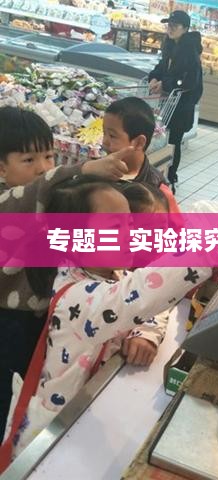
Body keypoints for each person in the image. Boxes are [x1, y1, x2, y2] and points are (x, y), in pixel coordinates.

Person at [3, 175, 213, 458]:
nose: (131, 235)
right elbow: (139, 295)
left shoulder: (110, 273)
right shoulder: (77, 297)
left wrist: (145, 332)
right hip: (53, 434)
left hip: (90, 412)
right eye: (116, 227)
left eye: (130, 224)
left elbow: (147, 301)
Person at [0, 107, 130, 440]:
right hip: (9, 323)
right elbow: (32, 193)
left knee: (28, 388)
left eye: (48, 156)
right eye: (29, 160)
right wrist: (82, 168)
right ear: (1, 168)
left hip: (41, 317)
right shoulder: (10, 203)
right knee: (8, 392)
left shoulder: (44, 201)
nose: (44, 167)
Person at [148, 11, 203, 193]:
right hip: (168, 102)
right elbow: (161, 68)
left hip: (182, 105)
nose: (170, 29)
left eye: (175, 26)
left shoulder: (190, 50)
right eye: (169, 25)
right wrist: (154, 77)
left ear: (185, 28)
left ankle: (171, 177)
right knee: (161, 139)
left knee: (173, 141)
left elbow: (190, 81)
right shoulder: (170, 45)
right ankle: (159, 175)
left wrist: (166, 84)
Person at [102, 97, 180, 213]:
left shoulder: (156, 187)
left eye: (112, 136)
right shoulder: (99, 172)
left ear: (139, 143)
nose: (104, 141)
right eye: (104, 133)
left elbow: (172, 222)